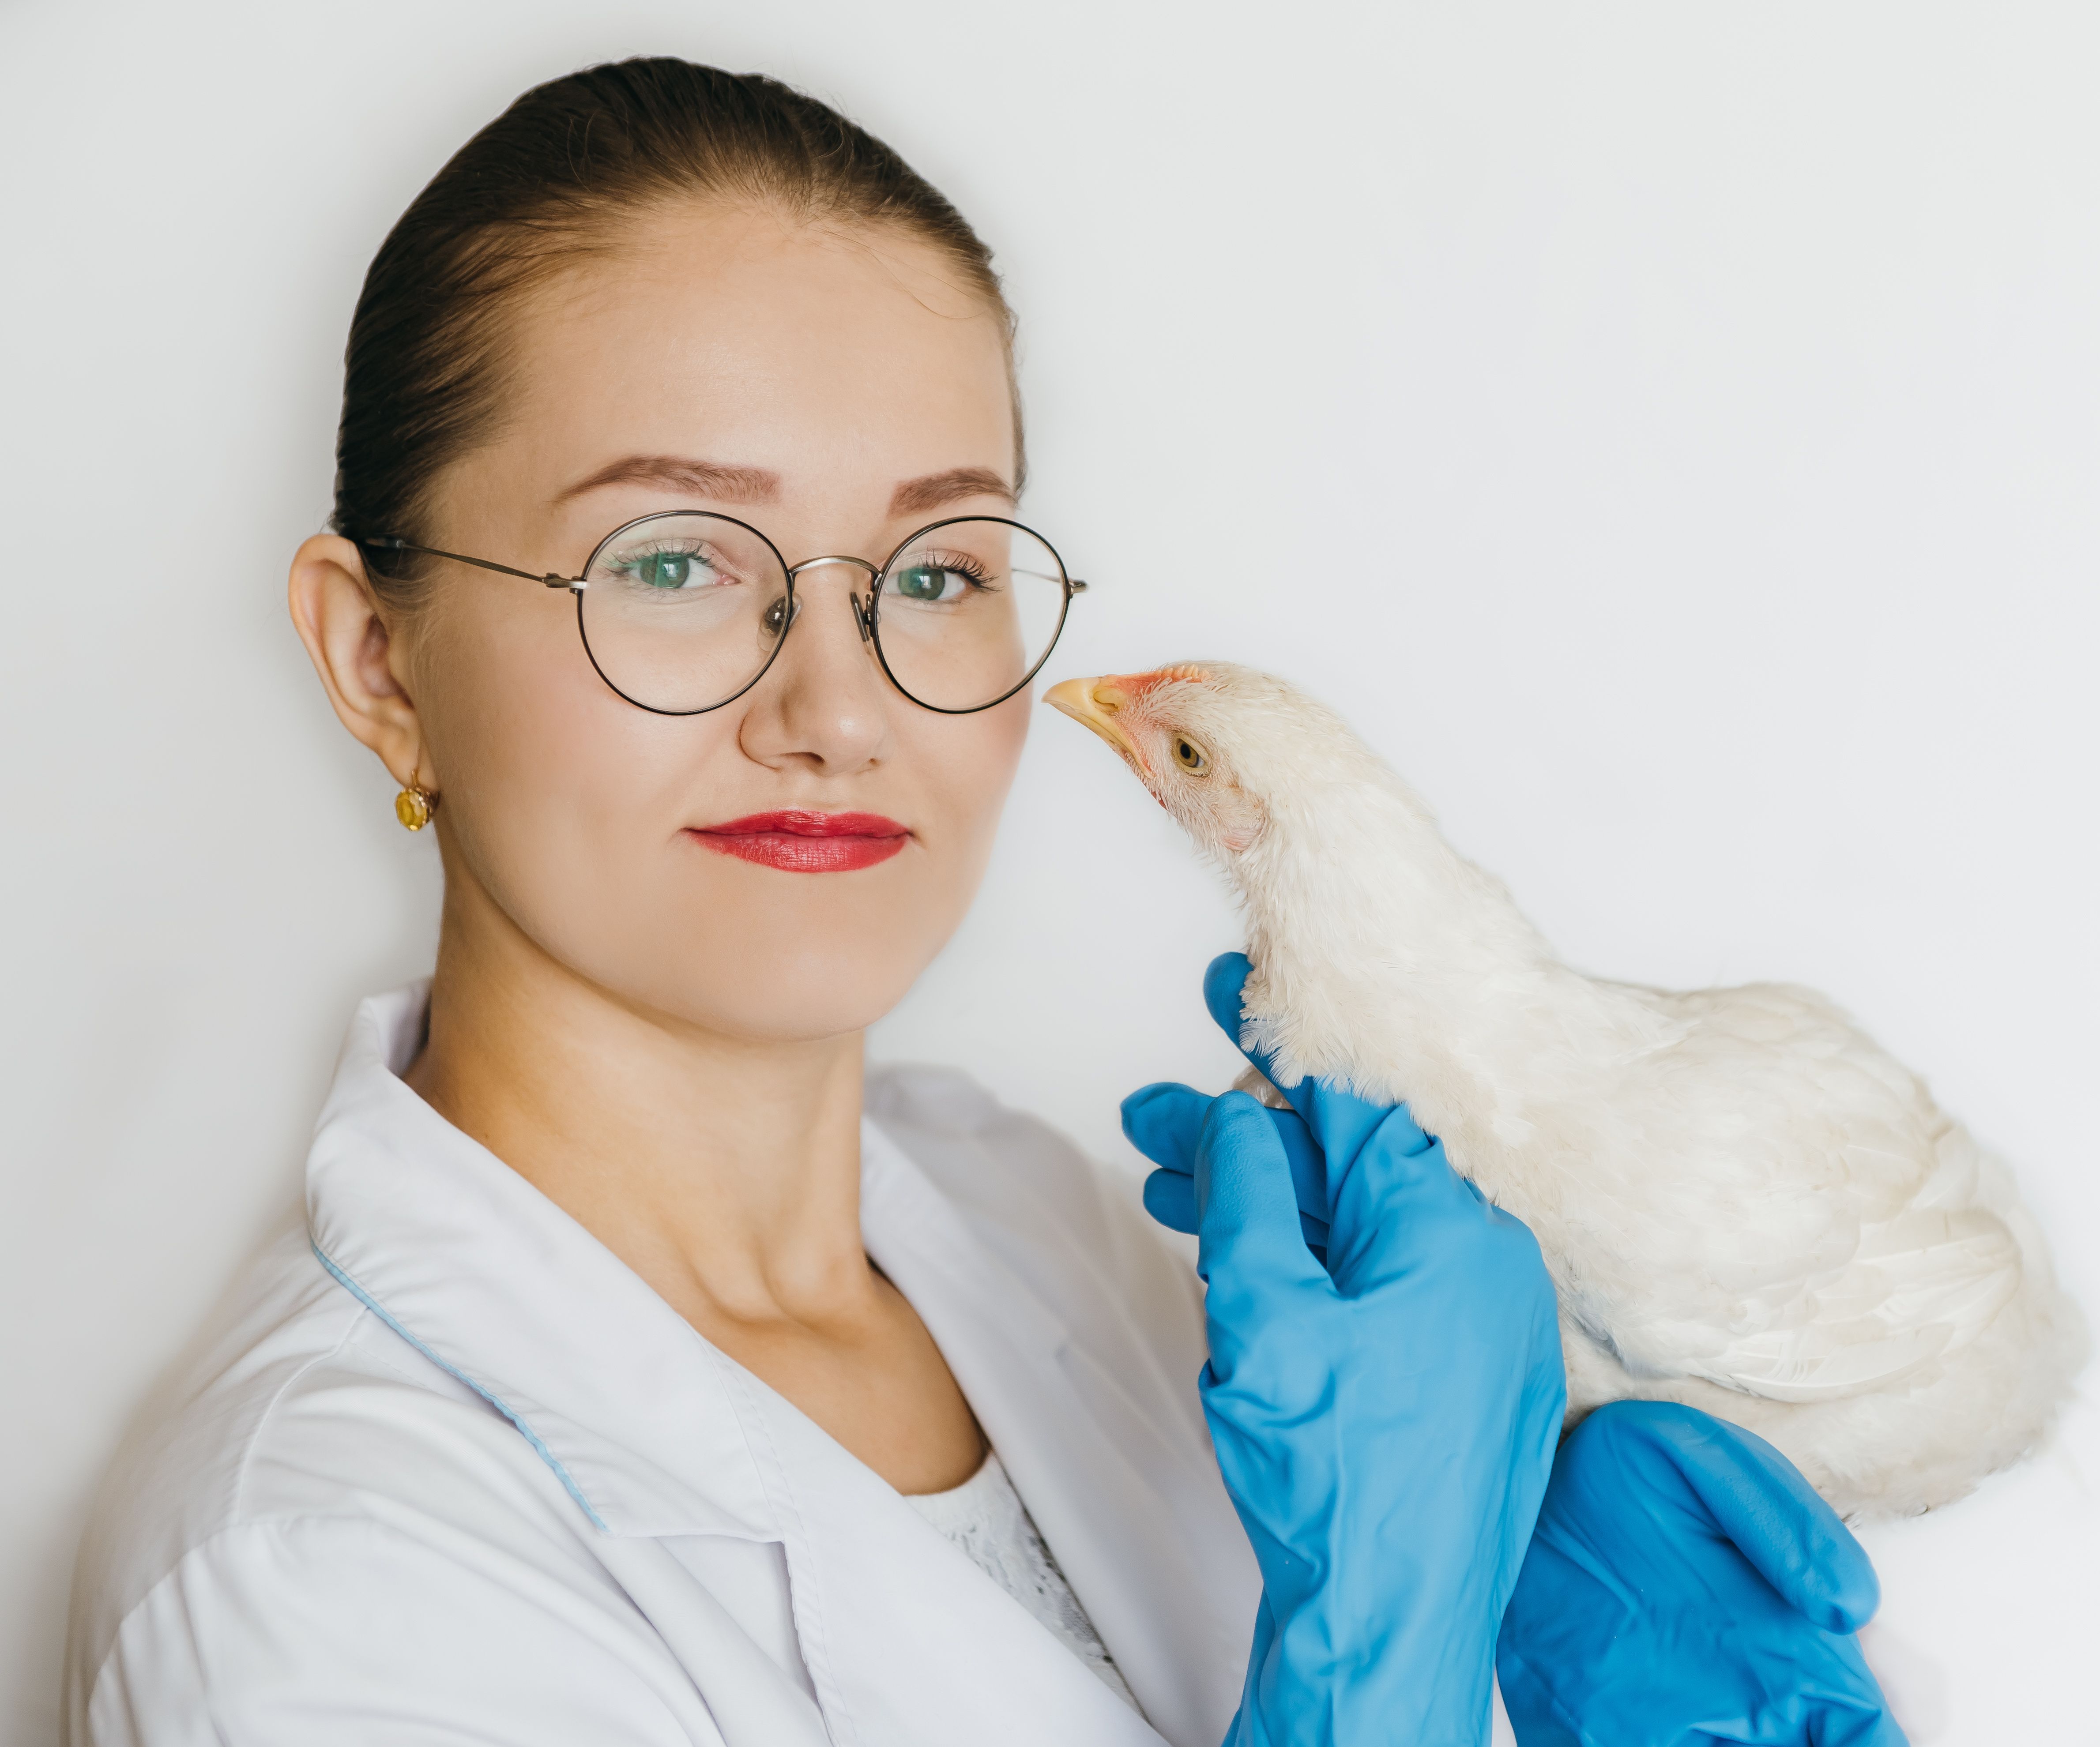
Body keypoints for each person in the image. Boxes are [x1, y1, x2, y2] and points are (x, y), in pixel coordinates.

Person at [62, 58, 1901, 1747]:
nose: (840, 708)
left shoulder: (1062, 1236)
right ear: (377, 656)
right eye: (679, 559)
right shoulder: (316, 1583)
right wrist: (1382, 1662)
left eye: (937, 571)